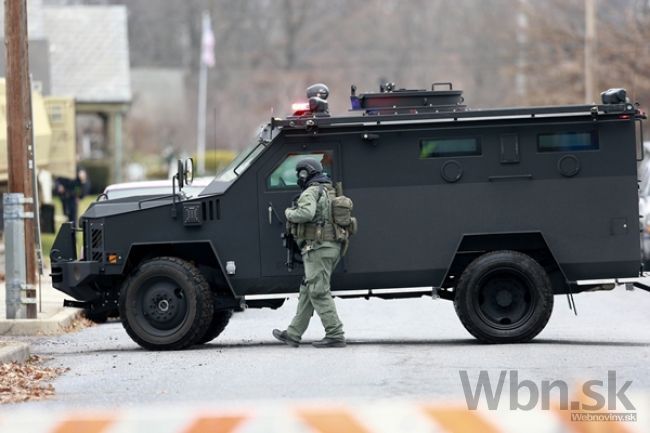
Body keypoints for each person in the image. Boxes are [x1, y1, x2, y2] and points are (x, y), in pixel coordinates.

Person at [273, 158, 346, 348]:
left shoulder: (311, 191)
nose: (299, 177)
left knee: (319, 292)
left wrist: (289, 212)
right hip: (331, 246)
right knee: (308, 289)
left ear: (306, 173)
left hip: (317, 248)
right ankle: (293, 333)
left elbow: (305, 214)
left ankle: (335, 334)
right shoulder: (328, 190)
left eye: (300, 173)